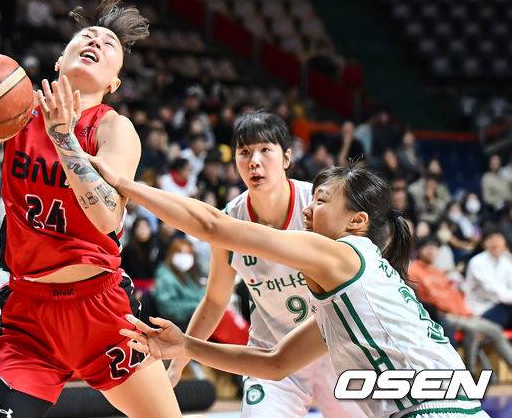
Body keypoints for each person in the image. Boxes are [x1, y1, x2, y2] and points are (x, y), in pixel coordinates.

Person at [0, 0, 181, 418]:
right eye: (86, 36)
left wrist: (64, 139)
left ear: (114, 83)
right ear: (59, 60)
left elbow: (107, 216)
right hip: (29, 315)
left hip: (101, 310)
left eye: (109, 44)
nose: (95, 41)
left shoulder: (114, 129)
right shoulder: (17, 108)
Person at [89, 160, 489, 418]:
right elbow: (275, 363)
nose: (308, 210)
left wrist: (125, 185)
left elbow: (214, 226)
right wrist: (188, 346)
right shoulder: (351, 293)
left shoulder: (344, 253)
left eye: (322, 201)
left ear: (356, 221)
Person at [167, 112, 365, 417]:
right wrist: (177, 364)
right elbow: (215, 300)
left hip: (333, 347)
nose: (254, 161)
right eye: (245, 152)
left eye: (265, 150)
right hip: (271, 352)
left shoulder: (319, 206)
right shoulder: (229, 221)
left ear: (287, 157)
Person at [408, 236, 512, 373]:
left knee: (493, 330)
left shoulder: (438, 272)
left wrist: (466, 313)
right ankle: (467, 372)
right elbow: (421, 299)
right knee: (475, 329)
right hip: (440, 316)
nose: (431, 251)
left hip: (460, 314)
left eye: (435, 248)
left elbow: (453, 296)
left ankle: (470, 372)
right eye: (428, 247)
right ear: (419, 250)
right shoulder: (413, 271)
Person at [463, 228, 512, 330]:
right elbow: (493, 290)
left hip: (501, 305)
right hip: (480, 310)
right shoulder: (477, 262)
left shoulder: (505, 262)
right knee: (506, 308)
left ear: (505, 245)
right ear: (484, 243)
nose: (495, 242)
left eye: (499, 240)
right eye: (491, 239)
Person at [152, 237, 204, 330]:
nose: (185, 257)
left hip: (193, 321)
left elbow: (198, 293)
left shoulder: (186, 274)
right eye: (181, 253)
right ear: (172, 254)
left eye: (188, 254)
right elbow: (168, 308)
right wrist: (196, 307)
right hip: (178, 326)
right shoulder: (166, 277)